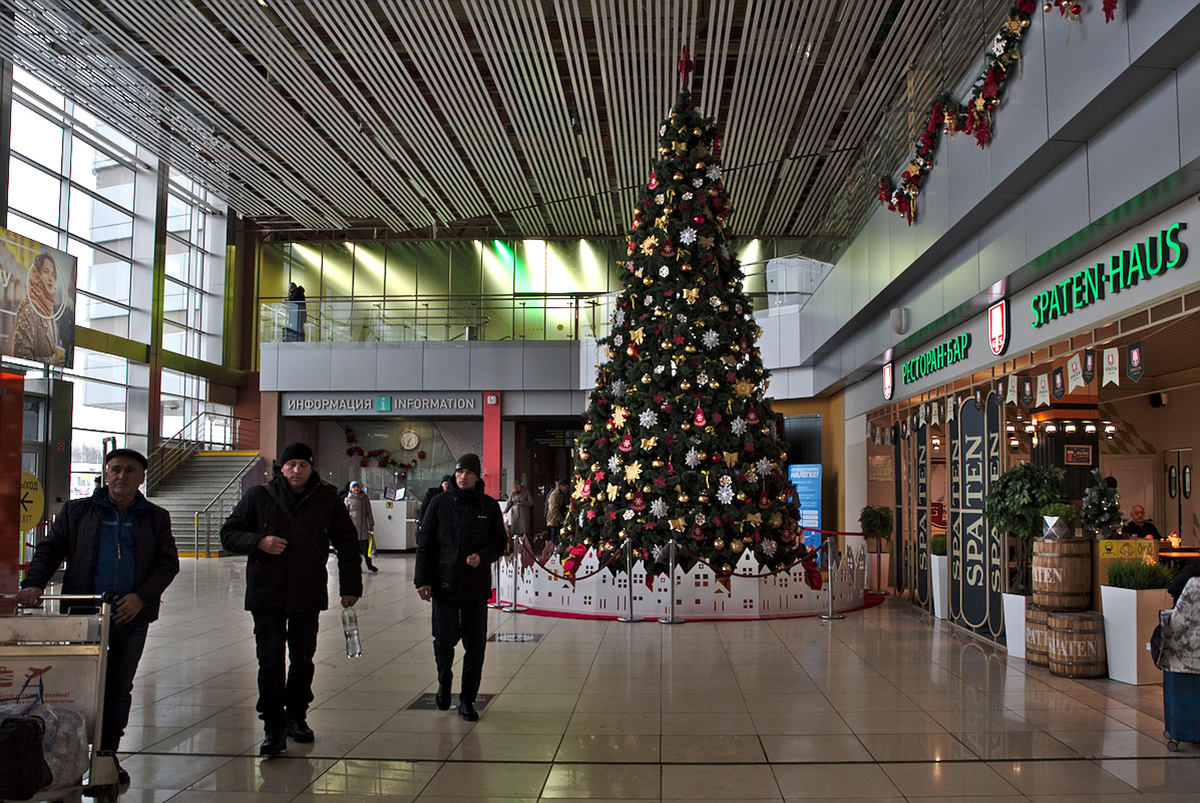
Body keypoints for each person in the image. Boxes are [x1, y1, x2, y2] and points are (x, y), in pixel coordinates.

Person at [18, 448, 178, 785]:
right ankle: (68, 756)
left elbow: (167, 564)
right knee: (79, 688)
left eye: (130, 471)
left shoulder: (154, 516)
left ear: (142, 477)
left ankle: (106, 757)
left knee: (118, 689)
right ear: (106, 474)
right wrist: (33, 583)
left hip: (131, 618)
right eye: (115, 469)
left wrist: (141, 597)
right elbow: (51, 549)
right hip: (84, 615)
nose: (122, 476)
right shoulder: (78, 512)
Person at [220, 442, 362, 756]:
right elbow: (228, 533)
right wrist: (259, 542)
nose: (296, 470)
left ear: (311, 468)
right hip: (266, 594)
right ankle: (273, 727)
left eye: (303, 464)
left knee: (301, 660)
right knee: (270, 661)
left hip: (307, 593)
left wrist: (350, 586)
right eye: (290, 465)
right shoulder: (259, 497)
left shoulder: (326, 500)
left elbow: (348, 543)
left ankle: (297, 717)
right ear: (281, 469)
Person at [414, 453, 507, 721]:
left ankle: (467, 700)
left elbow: (499, 542)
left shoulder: (488, 506)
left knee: (475, 646)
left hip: (475, 588)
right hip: (444, 586)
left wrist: (483, 557)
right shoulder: (439, 503)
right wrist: (423, 580)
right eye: (459, 472)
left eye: (468, 472)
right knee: (443, 641)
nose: (462, 476)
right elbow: (426, 543)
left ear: (477, 477)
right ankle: (444, 681)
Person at [10, 252, 66, 365]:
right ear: (37, 275)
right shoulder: (28, 308)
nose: (51, 279)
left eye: (53, 274)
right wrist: (49, 361)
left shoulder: (49, 310)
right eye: (46, 272)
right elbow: (21, 354)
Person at [345, 481, 378, 572]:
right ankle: (356, 567)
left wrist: (371, 524)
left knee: (366, 549)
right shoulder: (348, 500)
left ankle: (369, 565)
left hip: (363, 528)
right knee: (354, 551)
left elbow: (369, 512)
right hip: (353, 528)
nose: (356, 489)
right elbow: (345, 515)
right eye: (354, 487)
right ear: (351, 489)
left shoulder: (364, 498)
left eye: (357, 487)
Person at [545, 478, 568, 545]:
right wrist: (561, 519)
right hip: (554, 521)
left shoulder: (561, 494)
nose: (567, 489)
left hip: (558, 520)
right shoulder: (555, 495)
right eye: (566, 487)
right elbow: (553, 509)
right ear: (561, 487)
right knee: (555, 540)